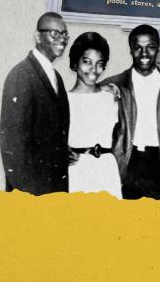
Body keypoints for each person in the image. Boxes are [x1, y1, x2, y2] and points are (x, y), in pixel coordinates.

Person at [100, 24, 160, 200]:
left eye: (150, 47)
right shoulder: (112, 86)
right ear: (130, 49)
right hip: (125, 164)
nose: (144, 53)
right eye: (137, 47)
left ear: (158, 48)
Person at [0, 12, 70, 195]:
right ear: (38, 36)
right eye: (55, 33)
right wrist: (26, 199)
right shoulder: (21, 75)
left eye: (64, 35)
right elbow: (13, 147)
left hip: (54, 192)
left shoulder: (57, 78)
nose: (61, 39)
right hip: (31, 196)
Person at [66, 32, 125, 199]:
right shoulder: (64, 101)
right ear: (75, 63)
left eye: (99, 64)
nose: (93, 69)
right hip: (78, 171)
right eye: (87, 62)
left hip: (107, 172)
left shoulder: (111, 97)